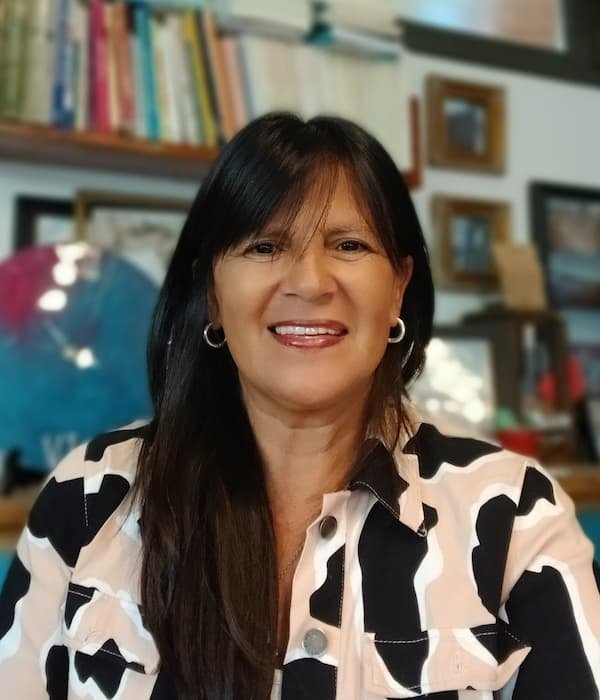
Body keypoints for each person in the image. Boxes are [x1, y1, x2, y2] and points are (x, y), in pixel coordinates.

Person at [0, 113, 599, 700]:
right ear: (212, 295)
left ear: (398, 288)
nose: (310, 283)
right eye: (265, 246)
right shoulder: (89, 499)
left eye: (349, 244)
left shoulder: (514, 517)